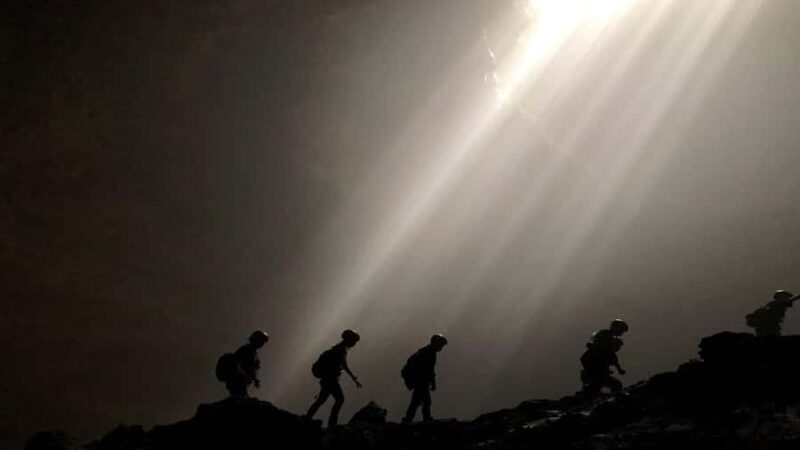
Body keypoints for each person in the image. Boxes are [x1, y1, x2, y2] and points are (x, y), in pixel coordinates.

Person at [305, 329, 363, 427]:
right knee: (339, 399)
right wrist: (354, 378)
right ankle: (331, 423)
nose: (354, 344)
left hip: (328, 378)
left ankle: (307, 418)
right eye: (353, 341)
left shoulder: (339, 348)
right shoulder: (341, 349)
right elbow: (344, 365)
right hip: (331, 379)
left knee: (322, 400)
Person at [401, 334, 448, 423]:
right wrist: (432, 382)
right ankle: (424, 420)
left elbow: (429, 370)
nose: (441, 348)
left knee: (417, 402)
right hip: (421, 381)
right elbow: (428, 370)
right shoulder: (429, 353)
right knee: (425, 402)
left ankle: (409, 420)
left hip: (419, 381)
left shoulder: (427, 351)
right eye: (441, 345)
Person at [580, 319, 628, 396]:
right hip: (595, 366)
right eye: (621, 331)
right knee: (611, 385)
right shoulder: (606, 337)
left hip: (594, 366)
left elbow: (612, 356)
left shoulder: (606, 336)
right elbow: (608, 354)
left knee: (603, 385)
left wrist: (619, 369)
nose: (621, 333)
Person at [218, 330, 269, 398]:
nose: (262, 344)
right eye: (261, 341)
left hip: (241, 382)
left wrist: (254, 379)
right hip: (237, 381)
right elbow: (238, 365)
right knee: (239, 396)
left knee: (240, 396)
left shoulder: (253, 353)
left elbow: (253, 368)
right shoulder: (246, 350)